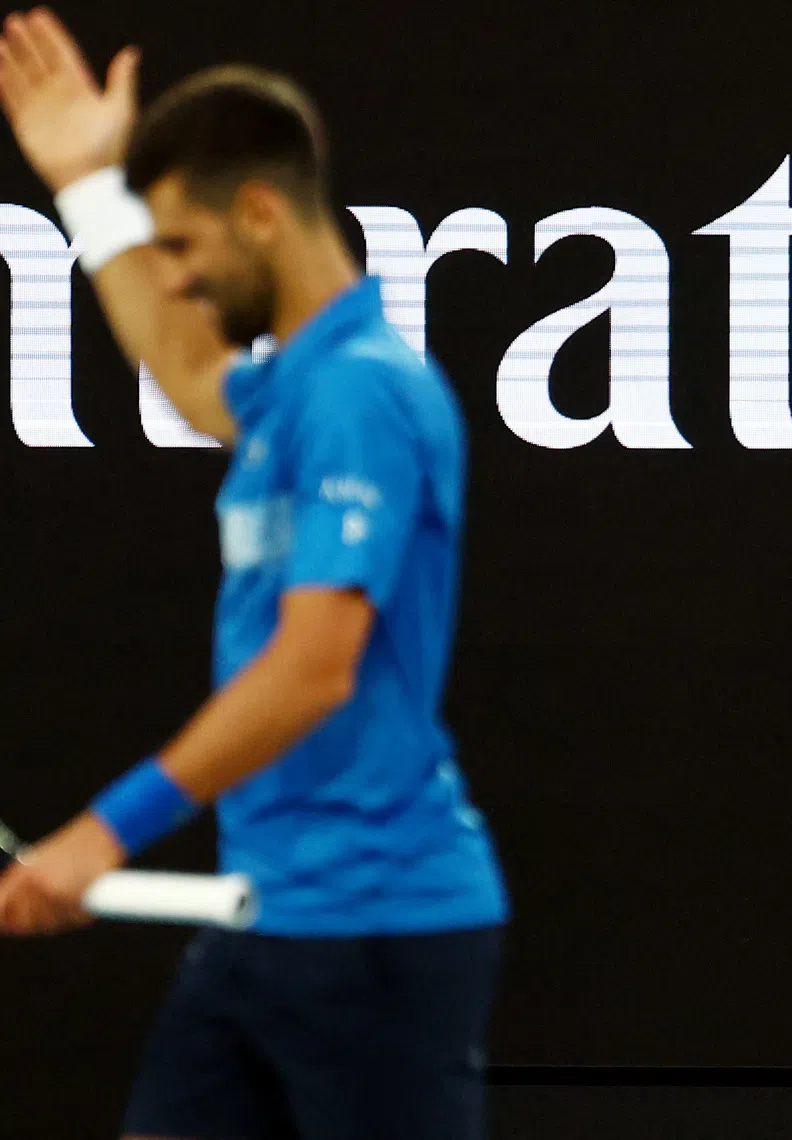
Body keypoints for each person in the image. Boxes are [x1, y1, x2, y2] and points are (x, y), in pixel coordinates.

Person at [0, 8, 509, 1139]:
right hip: (267, 918)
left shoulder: (363, 394)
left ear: (263, 215)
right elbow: (185, 367)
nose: (170, 280)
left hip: (381, 937)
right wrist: (83, 183)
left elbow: (315, 670)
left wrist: (104, 831)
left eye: (181, 247)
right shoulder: (298, 390)